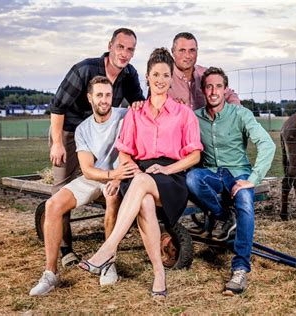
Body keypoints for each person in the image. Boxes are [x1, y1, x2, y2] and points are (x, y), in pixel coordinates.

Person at [78, 48, 203, 299]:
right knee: (144, 200)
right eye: (155, 74)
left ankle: (108, 248)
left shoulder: (183, 114)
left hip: (170, 177)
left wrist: (168, 168)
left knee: (144, 183)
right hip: (139, 173)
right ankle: (159, 274)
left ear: (171, 78)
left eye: (166, 75)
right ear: (147, 77)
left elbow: (194, 155)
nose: (160, 80)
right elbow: (124, 151)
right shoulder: (135, 112)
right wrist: (127, 167)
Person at [29, 76, 139, 296]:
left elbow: (135, 149)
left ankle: (108, 263)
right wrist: (110, 174)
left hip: (121, 177)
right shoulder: (83, 129)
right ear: (90, 98)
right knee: (53, 205)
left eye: (108, 95)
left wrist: (117, 177)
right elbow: (87, 169)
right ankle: (50, 273)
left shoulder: (126, 116)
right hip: (97, 175)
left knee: (112, 198)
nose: (104, 100)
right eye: (99, 95)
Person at [49, 28, 145, 266]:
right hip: (71, 129)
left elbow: (138, 104)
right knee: (62, 183)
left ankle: (108, 250)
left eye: (130, 49)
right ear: (110, 45)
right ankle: (65, 249)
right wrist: (58, 143)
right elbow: (58, 107)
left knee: (108, 180)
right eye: (120, 47)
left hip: (102, 131)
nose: (124, 53)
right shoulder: (85, 70)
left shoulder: (129, 74)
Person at [186, 67, 275, 295]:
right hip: (211, 173)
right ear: (203, 90)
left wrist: (253, 179)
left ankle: (240, 268)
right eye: (209, 86)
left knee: (245, 200)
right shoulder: (195, 118)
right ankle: (224, 216)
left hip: (238, 173)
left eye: (218, 86)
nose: (213, 91)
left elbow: (267, 144)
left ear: (225, 90)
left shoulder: (240, 114)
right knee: (192, 179)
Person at [168, 32, 240, 110]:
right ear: (173, 51)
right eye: (182, 50)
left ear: (197, 51)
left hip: (205, 122)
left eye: (192, 50)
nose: (187, 56)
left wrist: (236, 112)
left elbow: (229, 94)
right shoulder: (164, 77)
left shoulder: (206, 74)